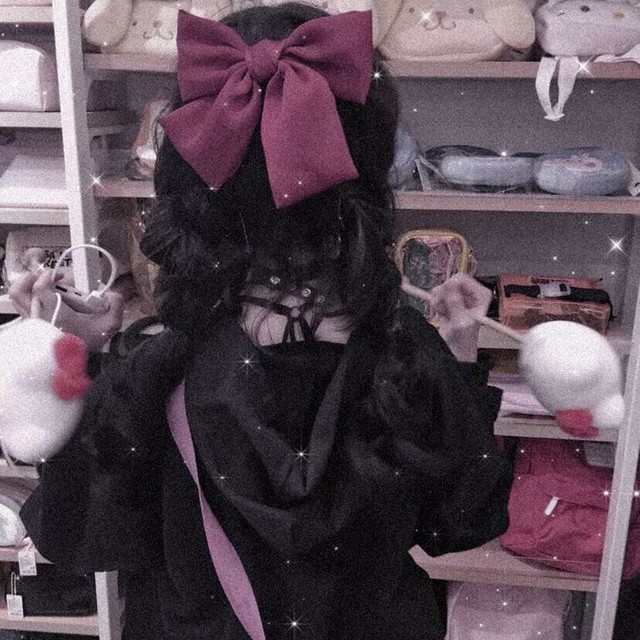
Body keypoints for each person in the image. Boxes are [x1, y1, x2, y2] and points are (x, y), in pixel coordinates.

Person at [10, 4, 512, 639]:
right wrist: (460, 354)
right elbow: (461, 523)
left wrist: (70, 363)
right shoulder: (405, 357)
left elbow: (75, 534)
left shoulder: (154, 367)